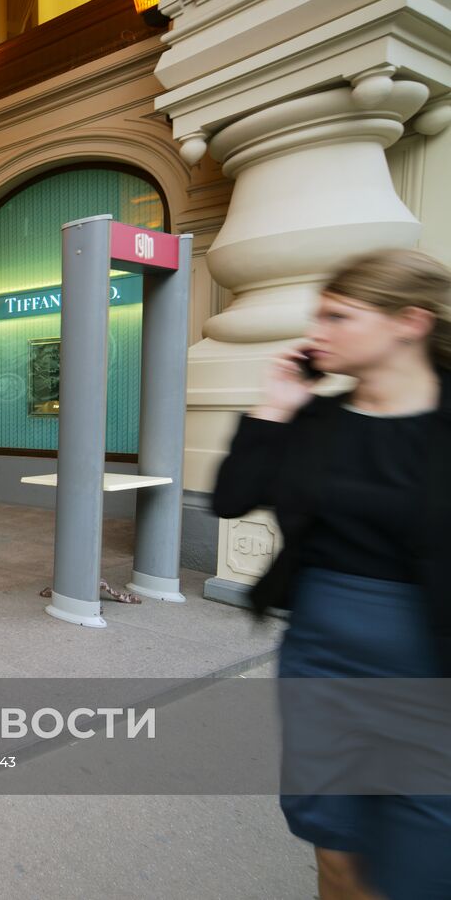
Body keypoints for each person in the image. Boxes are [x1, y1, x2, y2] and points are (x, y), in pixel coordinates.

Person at [212, 248, 451, 900]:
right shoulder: (316, 418)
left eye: (338, 316)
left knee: (423, 868)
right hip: (321, 659)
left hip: (431, 674)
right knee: (335, 846)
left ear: (410, 322)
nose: (317, 332)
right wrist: (275, 404)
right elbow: (232, 498)